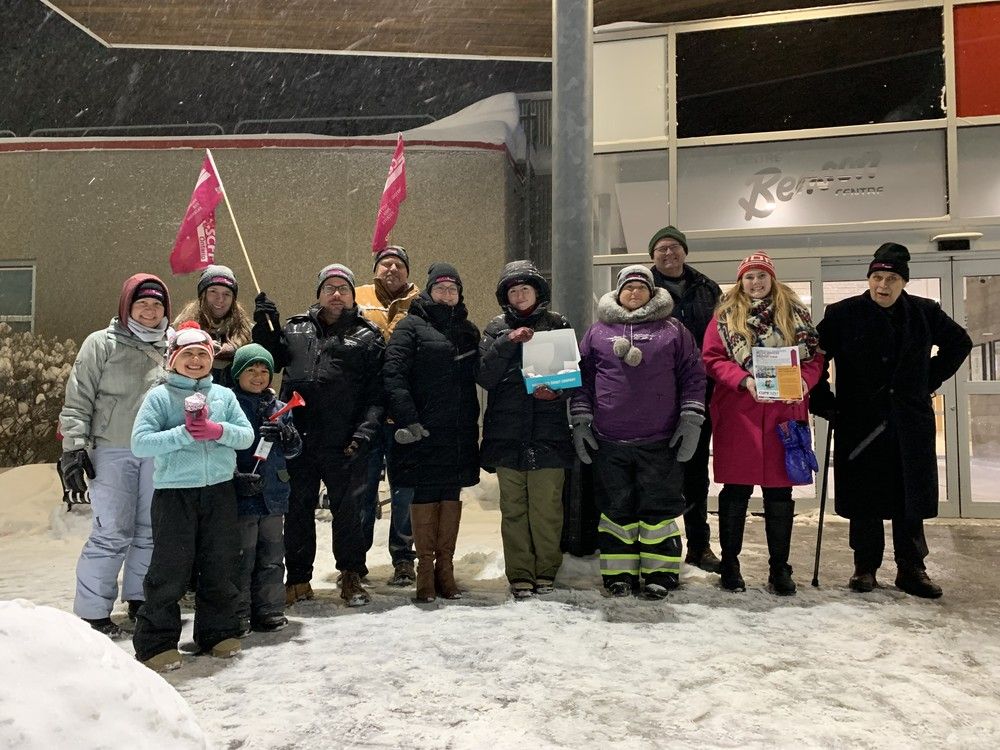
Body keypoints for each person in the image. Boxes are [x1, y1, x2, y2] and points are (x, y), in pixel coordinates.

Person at [811, 242, 972, 598]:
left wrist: (925, 380)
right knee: (865, 495)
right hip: (859, 420)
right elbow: (814, 358)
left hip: (908, 421)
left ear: (904, 283)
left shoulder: (925, 312)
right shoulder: (841, 313)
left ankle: (911, 569)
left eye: (892, 279)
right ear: (869, 279)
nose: (883, 285)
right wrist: (822, 398)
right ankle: (864, 567)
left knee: (908, 495)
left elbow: (960, 343)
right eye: (877, 277)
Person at [569, 265, 706, 600]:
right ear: (618, 293)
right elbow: (583, 378)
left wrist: (691, 419)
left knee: (657, 513)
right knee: (617, 512)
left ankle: (661, 574)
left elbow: (693, 375)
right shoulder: (598, 332)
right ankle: (619, 577)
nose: (634, 293)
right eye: (628, 288)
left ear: (651, 292)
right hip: (609, 440)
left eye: (640, 288)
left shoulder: (674, 330)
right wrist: (581, 420)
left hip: (660, 440)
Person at [252, 264, 385, 608]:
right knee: (297, 509)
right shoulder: (295, 329)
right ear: (319, 293)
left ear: (354, 294)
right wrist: (265, 326)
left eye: (343, 288)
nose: (336, 294)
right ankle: (297, 579)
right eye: (329, 287)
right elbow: (271, 361)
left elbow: (376, 394)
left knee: (349, 510)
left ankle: (351, 575)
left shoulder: (368, 336)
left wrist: (364, 433)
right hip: (297, 437)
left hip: (345, 440)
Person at [130, 321, 254, 672]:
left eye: (203, 354)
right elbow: (141, 443)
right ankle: (157, 642)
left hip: (219, 491)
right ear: (173, 360)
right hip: (174, 494)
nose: (196, 360)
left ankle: (218, 632)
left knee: (220, 563)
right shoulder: (159, 397)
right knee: (170, 567)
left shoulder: (225, 396)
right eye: (188, 354)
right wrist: (184, 433)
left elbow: (245, 436)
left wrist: (218, 431)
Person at [702, 252, 823, 596]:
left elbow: (815, 359)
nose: (756, 283)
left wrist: (805, 382)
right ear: (740, 282)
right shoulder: (724, 317)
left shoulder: (796, 314)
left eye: (761, 276)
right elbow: (711, 359)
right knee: (736, 490)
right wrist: (744, 380)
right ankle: (730, 565)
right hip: (740, 413)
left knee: (779, 492)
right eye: (749, 277)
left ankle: (779, 568)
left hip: (784, 414)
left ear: (772, 278)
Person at [58, 274, 172, 637]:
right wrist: (74, 447)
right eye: (142, 304)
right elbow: (79, 397)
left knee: (150, 530)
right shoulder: (100, 343)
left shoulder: (173, 345)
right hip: (112, 448)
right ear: (127, 306)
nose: (150, 311)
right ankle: (93, 612)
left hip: (156, 449)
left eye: (157, 305)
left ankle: (139, 599)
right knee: (112, 530)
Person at [383, 263, 481, 603]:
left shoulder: (468, 329)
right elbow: (393, 375)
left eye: (453, 289)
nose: (447, 294)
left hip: (457, 431)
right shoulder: (410, 326)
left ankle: (445, 571)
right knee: (423, 497)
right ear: (428, 291)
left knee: (450, 497)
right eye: (441, 288)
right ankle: (425, 573)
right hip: (421, 431)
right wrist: (408, 419)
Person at [478, 260, 574, 599]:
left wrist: (558, 391)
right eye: (513, 290)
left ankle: (546, 570)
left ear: (537, 291)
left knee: (547, 508)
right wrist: (507, 342)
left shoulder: (556, 323)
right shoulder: (494, 328)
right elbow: (484, 376)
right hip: (506, 432)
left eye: (525, 289)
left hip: (549, 433)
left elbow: (573, 378)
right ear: (506, 296)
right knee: (513, 509)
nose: (520, 295)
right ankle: (519, 573)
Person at [648, 226, 723, 573]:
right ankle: (661, 545)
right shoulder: (640, 287)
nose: (668, 254)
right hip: (655, 393)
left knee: (694, 471)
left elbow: (723, 334)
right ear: (652, 256)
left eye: (674, 248)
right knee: (659, 471)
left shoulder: (708, 289)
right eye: (662, 249)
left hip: (699, 390)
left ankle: (699, 544)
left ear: (684, 252)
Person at [354, 246, 421, 586]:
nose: (392, 269)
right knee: (363, 489)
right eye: (385, 263)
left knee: (405, 490)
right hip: (365, 411)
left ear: (408, 272)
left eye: (399, 264)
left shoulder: (421, 302)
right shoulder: (356, 296)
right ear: (375, 269)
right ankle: (356, 561)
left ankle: (404, 559)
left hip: (404, 412)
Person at [229, 344, 302, 635]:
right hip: (243, 496)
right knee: (241, 558)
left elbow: (295, 450)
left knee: (272, 556)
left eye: (264, 371)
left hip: (273, 495)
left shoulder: (278, 407)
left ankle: (270, 609)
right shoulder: (229, 404)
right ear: (238, 374)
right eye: (251, 370)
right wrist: (236, 477)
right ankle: (239, 612)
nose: (258, 377)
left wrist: (287, 435)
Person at [174, 265, 252, 388]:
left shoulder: (247, 332)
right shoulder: (180, 331)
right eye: (213, 291)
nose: (220, 299)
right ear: (202, 295)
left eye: (227, 294)